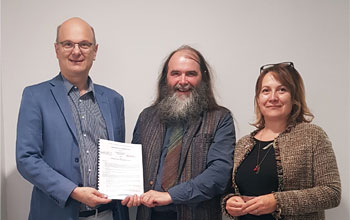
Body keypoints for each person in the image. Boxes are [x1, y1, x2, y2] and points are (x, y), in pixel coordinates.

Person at [16, 17, 129, 220]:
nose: (76, 51)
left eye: (84, 44)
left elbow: (118, 157)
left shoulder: (114, 100)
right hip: (57, 214)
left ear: (95, 51)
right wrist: (73, 192)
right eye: (68, 44)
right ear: (56, 49)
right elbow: (27, 159)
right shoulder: (35, 96)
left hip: (108, 214)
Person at [121, 45, 236, 220]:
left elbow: (219, 173)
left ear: (202, 78)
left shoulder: (220, 118)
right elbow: (133, 167)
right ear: (165, 79)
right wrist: (128, 191)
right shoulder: (146, 117)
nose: (183, 81)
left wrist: (171, 195)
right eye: (175, 73)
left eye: (190, 74)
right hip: (149, 215)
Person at [222, 62, 341, 220]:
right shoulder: (243, 144)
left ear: (293, 97)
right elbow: (231, 190)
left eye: (282, 90)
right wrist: (228, 202)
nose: (273, 98)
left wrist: (277, 202)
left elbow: (332, 192)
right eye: (266, 91)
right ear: (258, 99)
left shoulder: (313, 136)